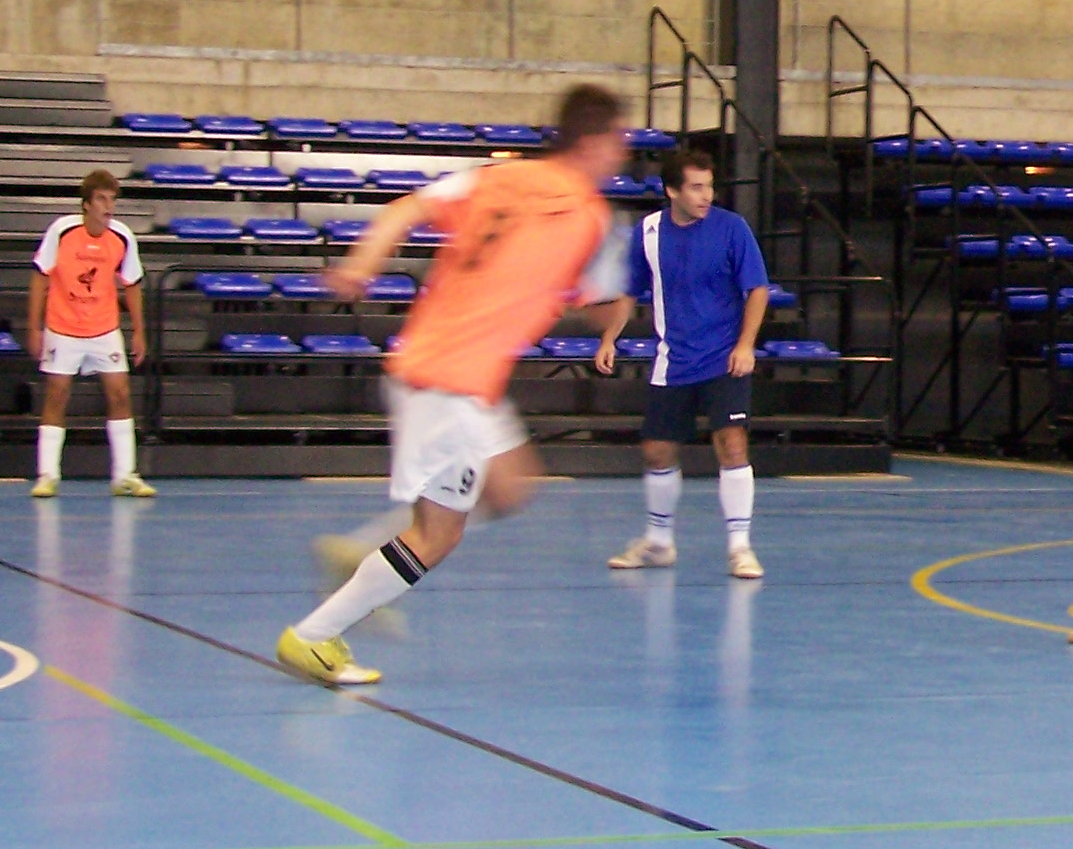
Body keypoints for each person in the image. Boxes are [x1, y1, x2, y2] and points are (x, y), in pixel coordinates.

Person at [276, 86, 632, 689]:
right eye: (618, 140)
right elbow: (597, 306)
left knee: (510, 486)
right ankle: (313, 636)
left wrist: (362, 266)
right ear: (594, 142)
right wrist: (617, 308)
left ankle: (361, 554)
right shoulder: (591, 217)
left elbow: (404, 210)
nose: (622, 153)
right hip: (449, 384)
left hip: (444, 368)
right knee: (438, 535)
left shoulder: (497, 178)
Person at [592, 144, 773, 578]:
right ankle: (658, 542)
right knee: (656, 451)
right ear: (672, 191)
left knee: (732, 443)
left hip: (724, 358)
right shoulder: (649, 232)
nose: (706, 195)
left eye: (709, 186)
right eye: (695, 187)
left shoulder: (732, 229)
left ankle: (740, 547)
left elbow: (757, 289)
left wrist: (745, 345)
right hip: (672, 360)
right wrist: (610, 337)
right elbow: (630, 290)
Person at [27, 169, 153, 500]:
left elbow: (132, 284)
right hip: (63, 327)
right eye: (101, 199)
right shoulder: (62, 231)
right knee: (56, 395)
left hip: (104, 328)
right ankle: (47, 475)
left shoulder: (122, 236)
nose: (108, 207)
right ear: (86, 204)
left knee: (120, 394)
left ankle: (125, 475)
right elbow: (40, 276)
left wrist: (139, 331)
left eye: (112, 200)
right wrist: (34, 327)